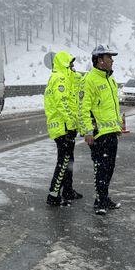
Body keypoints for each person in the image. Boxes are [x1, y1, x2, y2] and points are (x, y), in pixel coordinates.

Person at [81, 44, 123, 215]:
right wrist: (88, 131)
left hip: (111, 132)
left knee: (110, 167)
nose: (112, 60)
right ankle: (99, 202)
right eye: (109, 57)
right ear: (100, 61)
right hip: (99, 134)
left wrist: (117, 125)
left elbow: (113, 106)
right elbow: (83, 108)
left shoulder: (110, 79)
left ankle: (104, 197)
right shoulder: (90, 80)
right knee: (101, 168)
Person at [44, 51, 84, 206]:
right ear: (64, 64)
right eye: (71, 64)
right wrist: (72, 124)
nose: (73, 67)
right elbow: (63, 103)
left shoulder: (61, 77)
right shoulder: (60, 78)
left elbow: (77, 80)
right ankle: (53, 195)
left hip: (63, 127)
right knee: (64, 161)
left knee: (69, 160)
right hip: (63, 128)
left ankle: (67, 190)